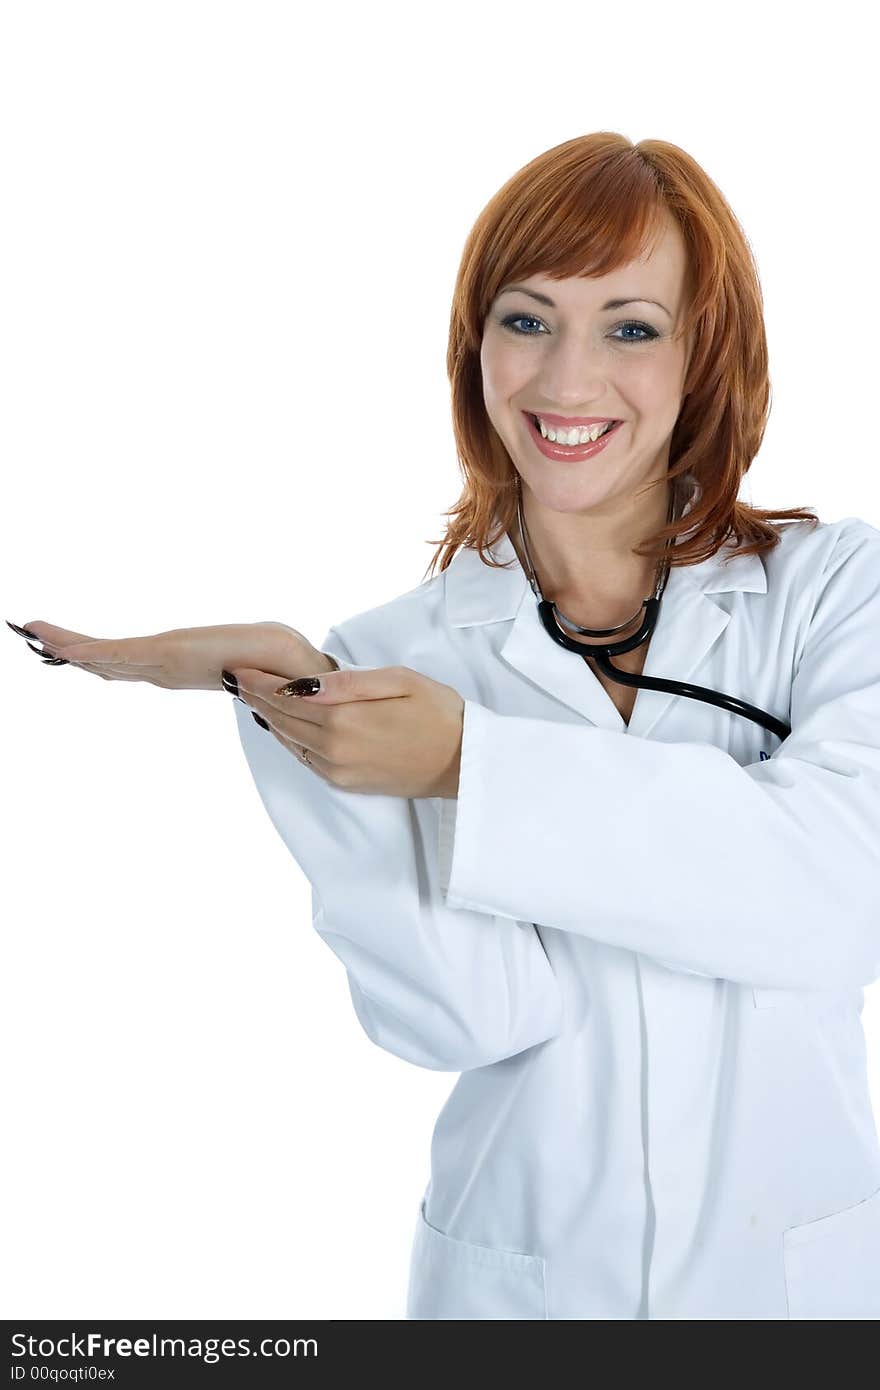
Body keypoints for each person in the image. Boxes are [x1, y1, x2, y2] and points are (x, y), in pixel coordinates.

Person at [12, 132, 880, 1320]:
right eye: (526, 321)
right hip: (522, 1299)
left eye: (630, 326)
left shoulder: (838, 591)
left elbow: (838, 894)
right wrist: (297, 713)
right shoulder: (390, 653)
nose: (566, 383)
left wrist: (470, 764)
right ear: (474, 345)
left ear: (704, 350)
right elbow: (467, 1015)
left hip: (794, 1298)